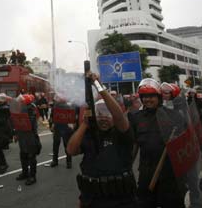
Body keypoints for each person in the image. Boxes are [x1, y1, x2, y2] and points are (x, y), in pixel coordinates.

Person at [67, 73, 137, 208]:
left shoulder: (121, 133)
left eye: (107, 113)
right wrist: (85, 124)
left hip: (121, 201)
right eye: (99, 113)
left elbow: (119, 116)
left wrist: (99, 86)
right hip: (92, 200)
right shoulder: (89, 134)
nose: (103, 117)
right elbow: (71, 150)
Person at [131, 78, 186, 208]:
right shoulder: (136, 118)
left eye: (151, 96)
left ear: (159, 97)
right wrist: (127, 167)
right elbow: (134, 146)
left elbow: (185, 144)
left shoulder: (173, 116)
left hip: (170, 174)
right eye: (144, 96)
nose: (147, 99)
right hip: (146, 174)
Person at [14, 94, 41, 186]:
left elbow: (30, 124)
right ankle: (25, 173)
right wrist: (17, 134)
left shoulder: (31, 110)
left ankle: (32, 176)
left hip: (30, 136)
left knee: (31, 156)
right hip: (22, 135)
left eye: (21, 101)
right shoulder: (21, 109)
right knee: (23, 155)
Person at [49, 96, 73, 169]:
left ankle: (57, 161)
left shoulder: (59, 106)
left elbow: (51, 117)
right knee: (63, 145)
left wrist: (51, 125)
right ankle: (68, 162)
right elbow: (52, 117)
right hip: (61, 127)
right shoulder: (65, 106)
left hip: (61, 127)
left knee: (57, 145)